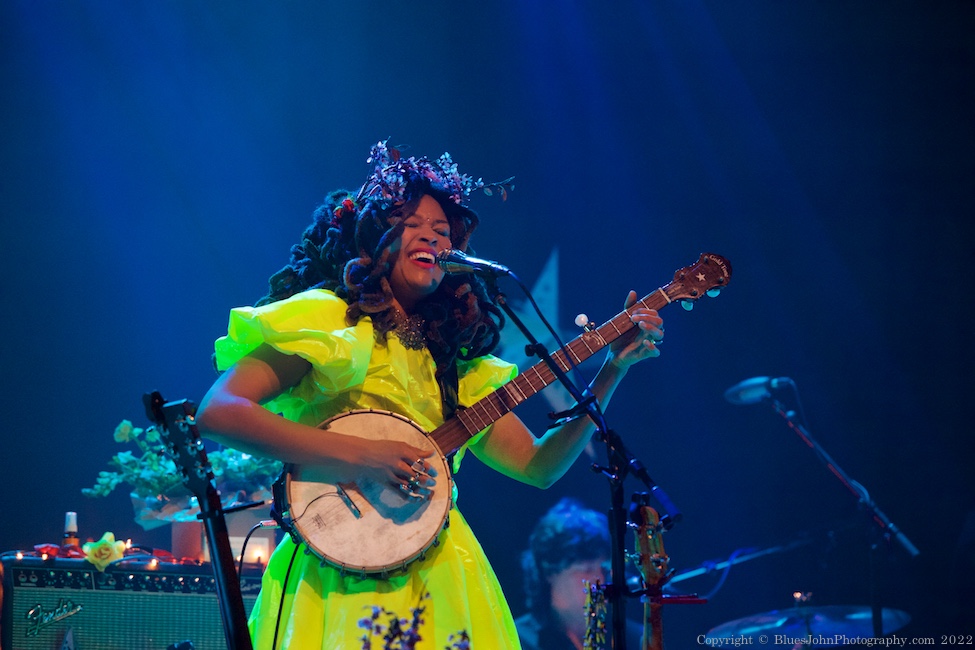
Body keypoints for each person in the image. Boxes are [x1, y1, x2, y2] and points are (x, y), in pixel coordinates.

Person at [196, 140, 665, 649]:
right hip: (337, 574)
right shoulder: (329, 321)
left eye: (442, 231)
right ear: (373, 237)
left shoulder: (455, 361)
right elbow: (220, 412)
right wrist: (363, 454)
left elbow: (537, 467)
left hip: (441, 572)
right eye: (411, 224)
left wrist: (612, 370)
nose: (431, 237)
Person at [516, 498, 644, 650]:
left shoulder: (637, 638)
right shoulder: (516, 639)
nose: (601, 579)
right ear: (550, 572)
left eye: (604, 569)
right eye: (586, 570)